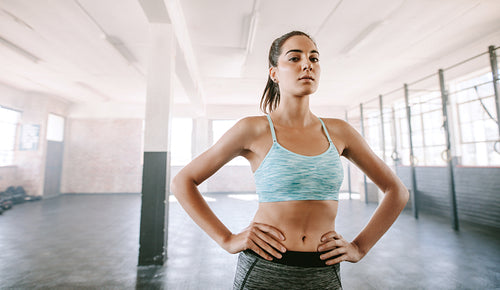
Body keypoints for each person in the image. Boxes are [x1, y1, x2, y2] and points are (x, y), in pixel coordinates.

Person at [171, 30, 409, 289]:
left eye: (314, 58)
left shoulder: (340, 132)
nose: (307, 64)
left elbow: (396, 191)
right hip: (265, 268)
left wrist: (360, 247)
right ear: (274, 73)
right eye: (294, 58)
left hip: (324, 271)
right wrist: (227, 239)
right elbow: (184, 181)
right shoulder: (252, 129)